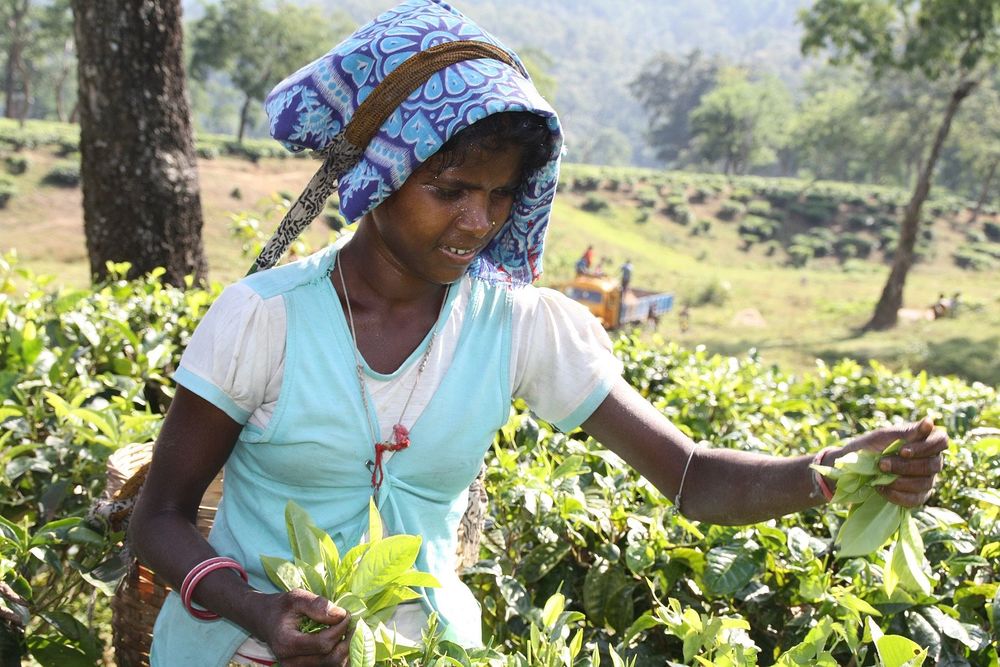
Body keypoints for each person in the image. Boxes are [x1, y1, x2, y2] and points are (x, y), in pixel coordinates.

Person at [130, 2, 949, 666]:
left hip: (426, 652)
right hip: (238, 647)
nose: (477, 222)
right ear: (379, 173)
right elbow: (158, 518)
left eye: (498, 195)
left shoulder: (518, 324)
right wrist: (259, 607)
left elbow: (693, 476)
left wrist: (831, 471)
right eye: (449, 189)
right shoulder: (265, 317)